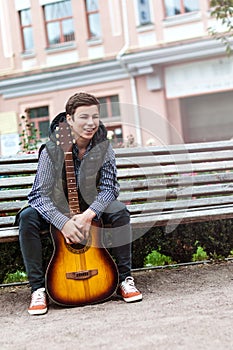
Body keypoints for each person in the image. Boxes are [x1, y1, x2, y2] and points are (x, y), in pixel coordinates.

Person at [18, 92, 142, 315]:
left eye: (95, 116)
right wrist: (63, 223)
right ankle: (38, 289)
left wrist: (88, 215)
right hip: (57, 208)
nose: (91, 123)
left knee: (120, 212)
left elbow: (110, 188)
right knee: (27, 217)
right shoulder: (52, 150)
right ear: (69, 119)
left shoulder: (104, 148)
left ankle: (125, 279)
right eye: (84, 117)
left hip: (90, 208)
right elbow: (38, 196)